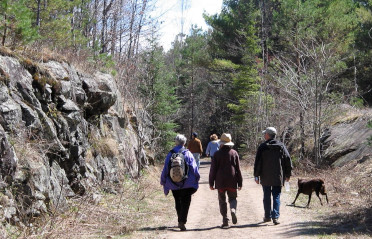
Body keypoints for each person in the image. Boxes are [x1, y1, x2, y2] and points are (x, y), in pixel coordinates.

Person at [160, 134, 200, 231]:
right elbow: (194, 168)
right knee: (186, 202)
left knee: (177, 201)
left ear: (176, 142)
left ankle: (180, 220)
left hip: (173, 183)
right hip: (187, 183)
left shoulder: (170, 154)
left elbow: (166, 168)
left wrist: (163, 181)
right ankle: (182, 221)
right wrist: (197, 177)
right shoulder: (187, 153)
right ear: (184, 143)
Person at [254, 127, 293, 225]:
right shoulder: (281, 146)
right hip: (278, 176)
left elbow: (258, 162)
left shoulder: (262, 147)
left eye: (264, 134)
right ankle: (275, 217)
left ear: (267, 135)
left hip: (265, 176)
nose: (264, 136)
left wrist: (256, 175)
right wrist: (288, 174)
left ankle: (267, 216)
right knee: (276, 196)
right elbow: (288, 160)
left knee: (266, 196)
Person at [209, 133, 243, 229]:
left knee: (222, 201)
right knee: (233, 198)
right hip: (232, 180)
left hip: (220, 182)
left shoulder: (216, 154)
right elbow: (238, 169)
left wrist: (211, 183)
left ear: (221, 143)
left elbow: (213, 170)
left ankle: (225, 219)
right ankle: (233, 209)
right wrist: (240, 182)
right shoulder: (234, 153)